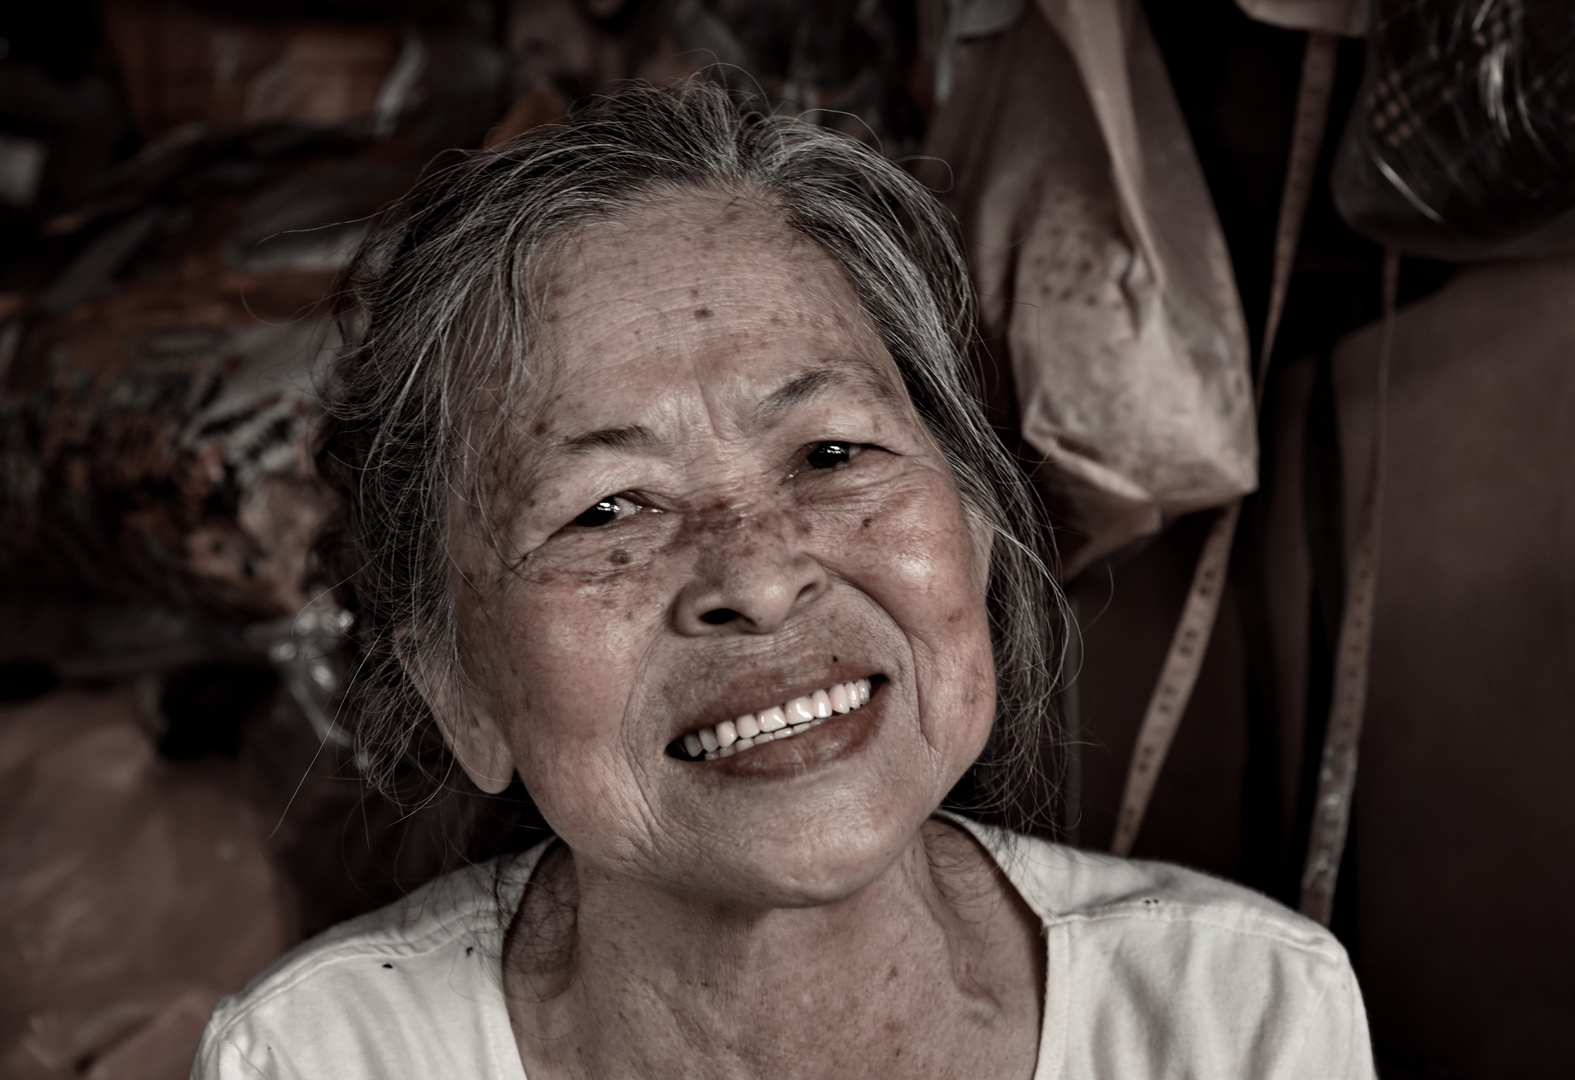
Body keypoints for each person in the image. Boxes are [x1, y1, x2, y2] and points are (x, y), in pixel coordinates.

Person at [191, 79, 1376, 1079]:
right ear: (459, 687)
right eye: (609, 509)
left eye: (831, 453)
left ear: (971, 527)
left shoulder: (1235, 1021)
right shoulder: (318, 1058)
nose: (757, 579)